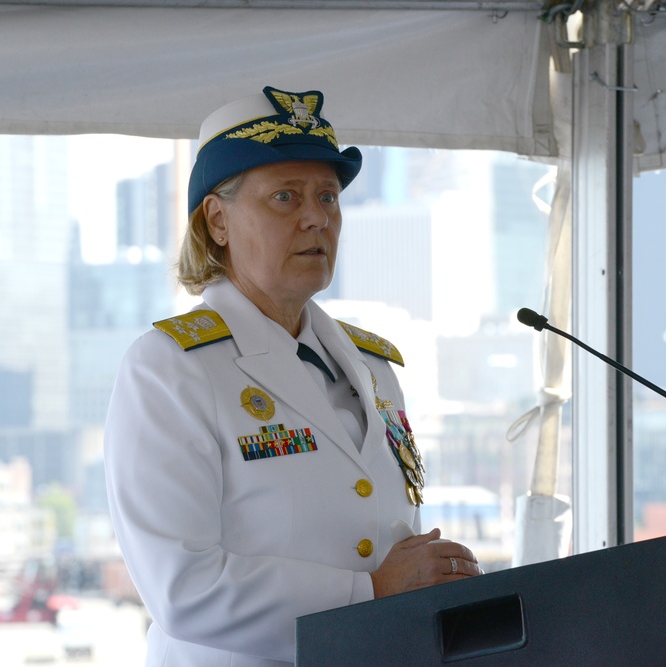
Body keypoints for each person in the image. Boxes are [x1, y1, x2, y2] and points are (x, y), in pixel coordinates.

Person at [104, 86, 479, 667]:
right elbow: (183, 587)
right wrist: (369, 594)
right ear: (218, 220)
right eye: (285, 197)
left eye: (328, 197)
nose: (315, 218)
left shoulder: (373, 364)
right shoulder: (171, 367)